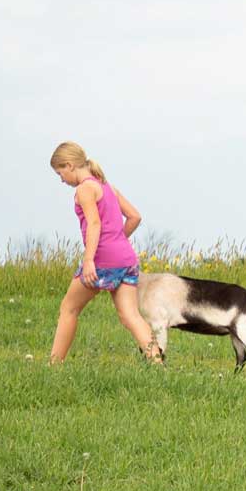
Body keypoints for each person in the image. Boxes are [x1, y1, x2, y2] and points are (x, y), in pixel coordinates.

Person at [45, 141, 162, 364]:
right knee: (131, 316)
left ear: (69, 165)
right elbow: (135, 216)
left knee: (69, 309)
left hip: (101, 262)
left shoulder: (85, 188)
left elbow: (94, 224)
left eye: (60, 173)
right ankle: (157, 363)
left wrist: (89, 260)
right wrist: (117, 240)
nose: (61, 180)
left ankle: (53, 365)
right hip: (126, 259)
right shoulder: (106, 185)